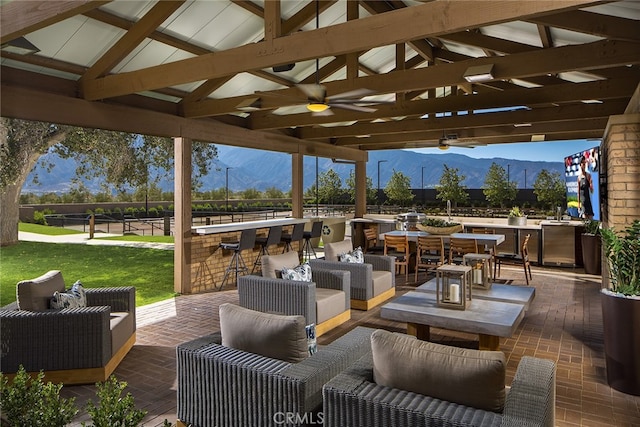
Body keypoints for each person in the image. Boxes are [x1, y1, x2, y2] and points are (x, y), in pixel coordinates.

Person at [577, 155, 594, 219]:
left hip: (588, 202)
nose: (584, 165)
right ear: (580, 165)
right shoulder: (578, 177)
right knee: (584, 220)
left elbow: (592, 191)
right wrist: (578, 205)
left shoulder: (588, 175)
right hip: (583, 204)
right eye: (582, 163)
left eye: (584, 163)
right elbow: (578, 192)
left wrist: (591, 184)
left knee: (590, 219)